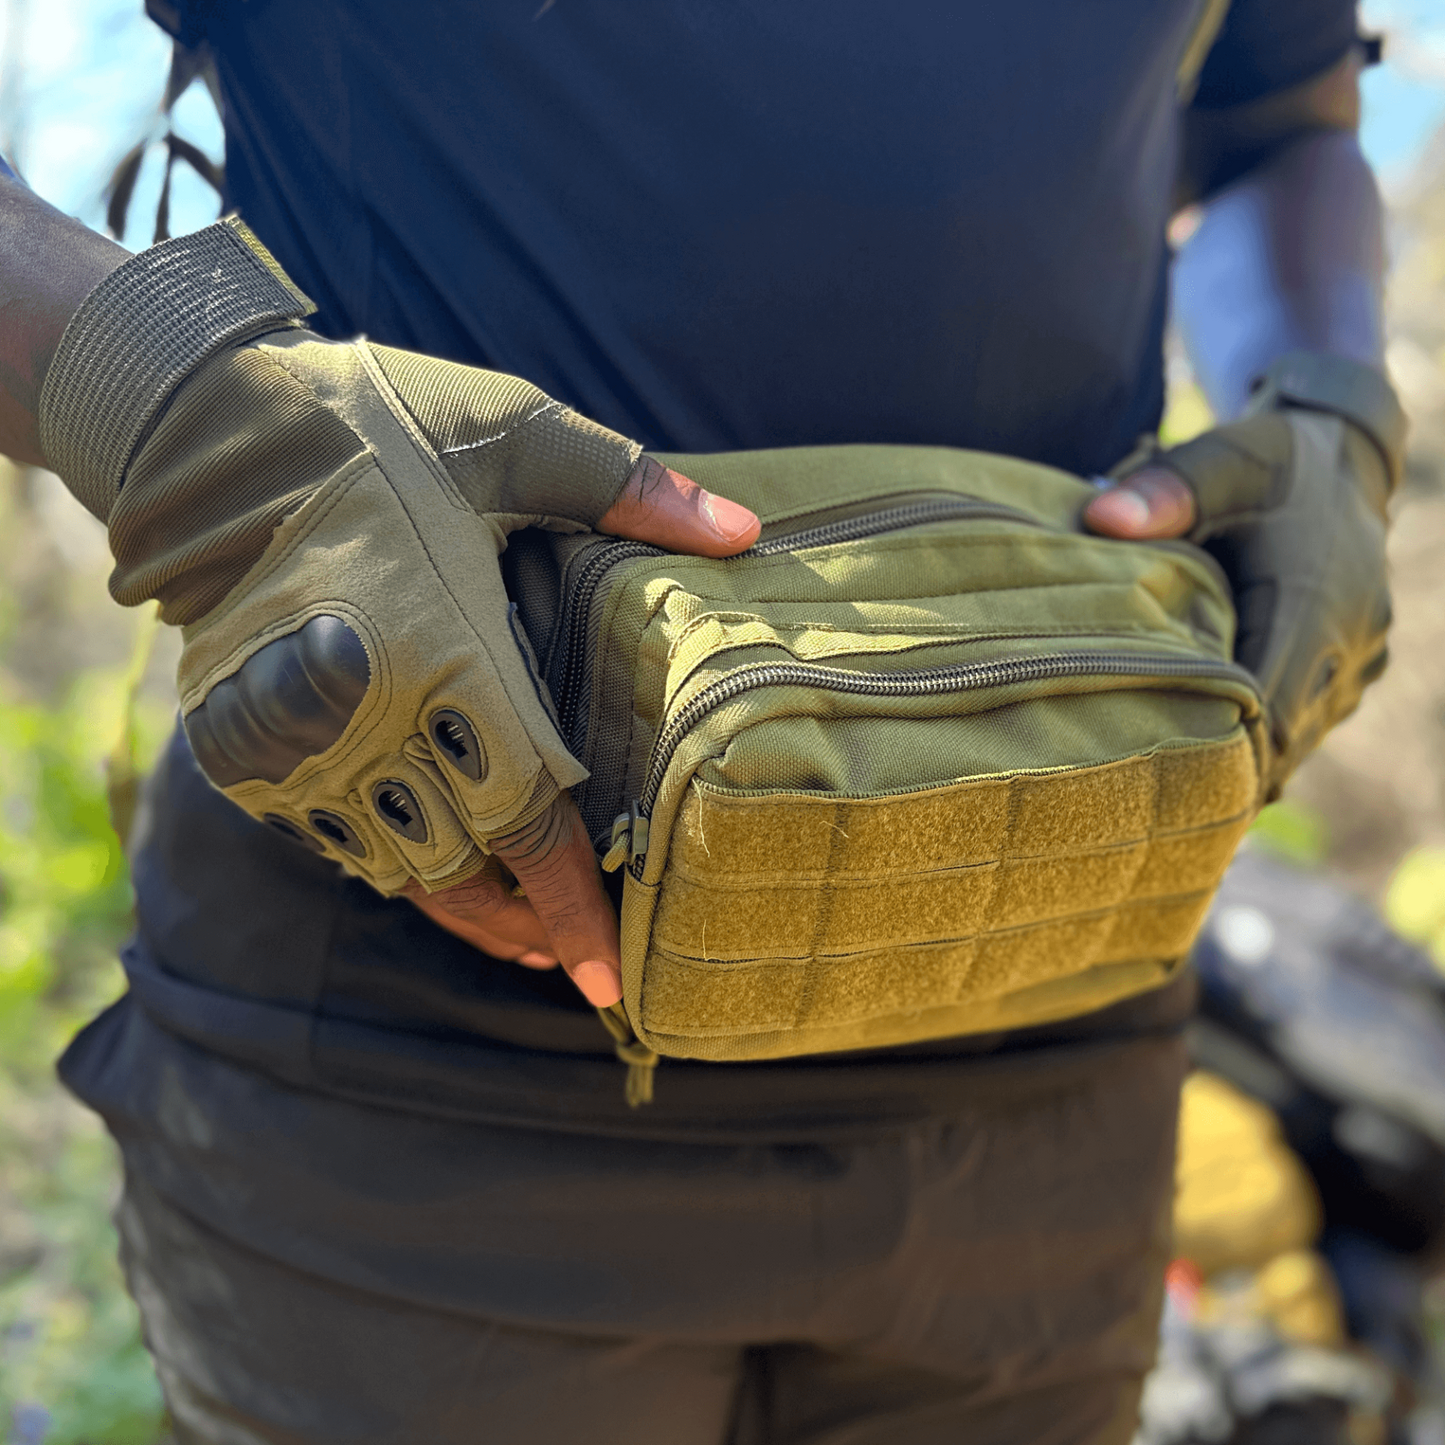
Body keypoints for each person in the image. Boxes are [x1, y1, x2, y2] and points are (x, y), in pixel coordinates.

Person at [0, 1, 1400, 1439]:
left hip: (1055, 1027)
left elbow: (1277, 121)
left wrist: (1332, 411)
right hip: (412, 1066)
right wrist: (163, 401)